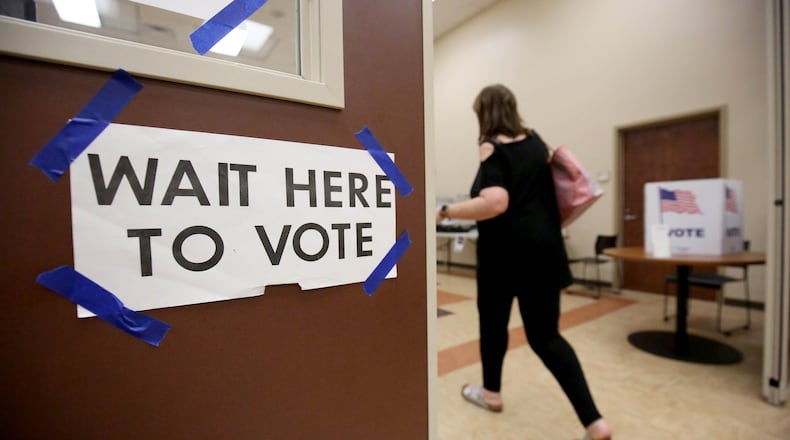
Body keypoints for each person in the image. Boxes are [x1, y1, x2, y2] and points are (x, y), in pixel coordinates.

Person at [435, 84, 612, 440]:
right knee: (546, 337)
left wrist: (443, 211)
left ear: (484, 114)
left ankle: (491, 394)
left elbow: (495, 201)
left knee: (494, 328)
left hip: (504, 258)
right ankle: (594, 422)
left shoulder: (491, 148)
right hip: (545, 254)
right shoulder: (537, 145)